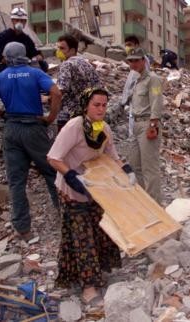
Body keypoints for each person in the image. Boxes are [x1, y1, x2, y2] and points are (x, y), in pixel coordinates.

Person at [47, 87, 135, 305]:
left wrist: (126, 169)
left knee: (101, 230)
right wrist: (70, 176)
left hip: (95, 188)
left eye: (105, 105)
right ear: (86, 105)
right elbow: (53, 157)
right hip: (72, 190)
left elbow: (111, 155)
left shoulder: (103, 128)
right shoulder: (74, 127)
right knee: (82, 237)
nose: (101, 109)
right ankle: (89, 288)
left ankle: (101, 271)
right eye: (96, 105)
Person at [0, 42, 61, 240]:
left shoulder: (0, 77)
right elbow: (56, 92)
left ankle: (23, 228)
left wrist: (0, 114)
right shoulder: (34, 73)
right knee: (51, 171)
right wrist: (51, 117)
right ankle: (64, 214)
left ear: (6, 57)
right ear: (24, 55)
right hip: (33, 127)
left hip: (11, 129)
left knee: (16, 181)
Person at [126, 48, 163, 204]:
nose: (133, 64)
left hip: (148, 123)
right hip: (136, 124)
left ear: (143, 60)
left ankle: (155, 205)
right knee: (134, 165)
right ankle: (143, 202)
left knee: (150, 168)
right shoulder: (137, 80)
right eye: (130, 61)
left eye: (136, 60)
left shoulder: (153, 79)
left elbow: (156, 100)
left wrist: (153, 124)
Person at [56, 34, 100, 130]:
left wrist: (47, 98)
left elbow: (60, 90)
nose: (58, 51)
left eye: (62, 48)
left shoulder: (67, 65)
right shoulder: (87, 64)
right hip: (87, 115)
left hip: (68, 117)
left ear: (72, 50)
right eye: (58, 48)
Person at [0, 7, 47, 79]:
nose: (19, 22)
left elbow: (34, 53)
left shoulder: (26, 39)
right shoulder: (2, 37)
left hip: (24, 69)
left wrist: (39, 56)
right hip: (7, 69)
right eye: (17, 20)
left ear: (25, 22)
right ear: (12, 21)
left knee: (43, 67)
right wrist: (8, 61)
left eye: (22, 20)